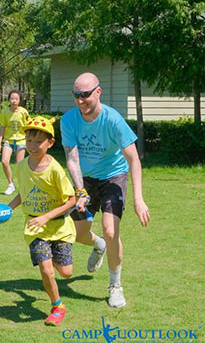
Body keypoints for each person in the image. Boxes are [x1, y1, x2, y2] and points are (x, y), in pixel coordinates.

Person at [60, 72, 150, 308]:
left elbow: (134, 160)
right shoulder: (68, 120)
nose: (80, 101)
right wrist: (80, 191)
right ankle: (98, 245)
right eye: (76, 96)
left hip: (113, 177)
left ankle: (115, 286)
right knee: (77, 234)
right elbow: (72, 158)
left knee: (111, 231)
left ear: (97, 92)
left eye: (85, 95)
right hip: (86, 179)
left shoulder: (113, 120)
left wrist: (138, 199)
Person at [7, 116, 76, 326]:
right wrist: (8, 208)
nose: (33, 146)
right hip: (34, 228)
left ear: (50, 143)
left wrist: (46, 216)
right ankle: (57, 305)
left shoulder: (55, 169)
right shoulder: (20, 167)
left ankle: (54, 260)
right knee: (46, 269)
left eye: (38, 141)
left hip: (59, 227)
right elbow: (24, 193)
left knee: (65, 272)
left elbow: (71, 200)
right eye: (29, 141)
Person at [0, 90, 31, 195]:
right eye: (12, 98)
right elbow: (2, 127)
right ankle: (11, 184)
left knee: (20, 165)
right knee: (4, 161)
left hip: (21, 141)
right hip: (8, 141)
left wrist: (29, 141)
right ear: (9, 100)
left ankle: (23, 186)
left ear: (20, 100)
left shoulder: (23, 112)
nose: (14, 101)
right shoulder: (5, 112)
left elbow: (29, 127)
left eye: (16, 99)